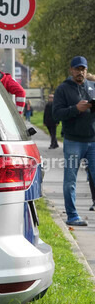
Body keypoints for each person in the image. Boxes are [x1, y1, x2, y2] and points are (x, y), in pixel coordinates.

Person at [52, 56, 95, 226]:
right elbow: (56, 114)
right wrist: (75, 109)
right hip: (73, 142)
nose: (80, 72)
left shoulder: (92, 87)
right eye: (77, 69)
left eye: (83, 69)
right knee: (70, 180)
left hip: (93, 141)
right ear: (71, 70)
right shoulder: (62, 89)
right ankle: (72, 215)